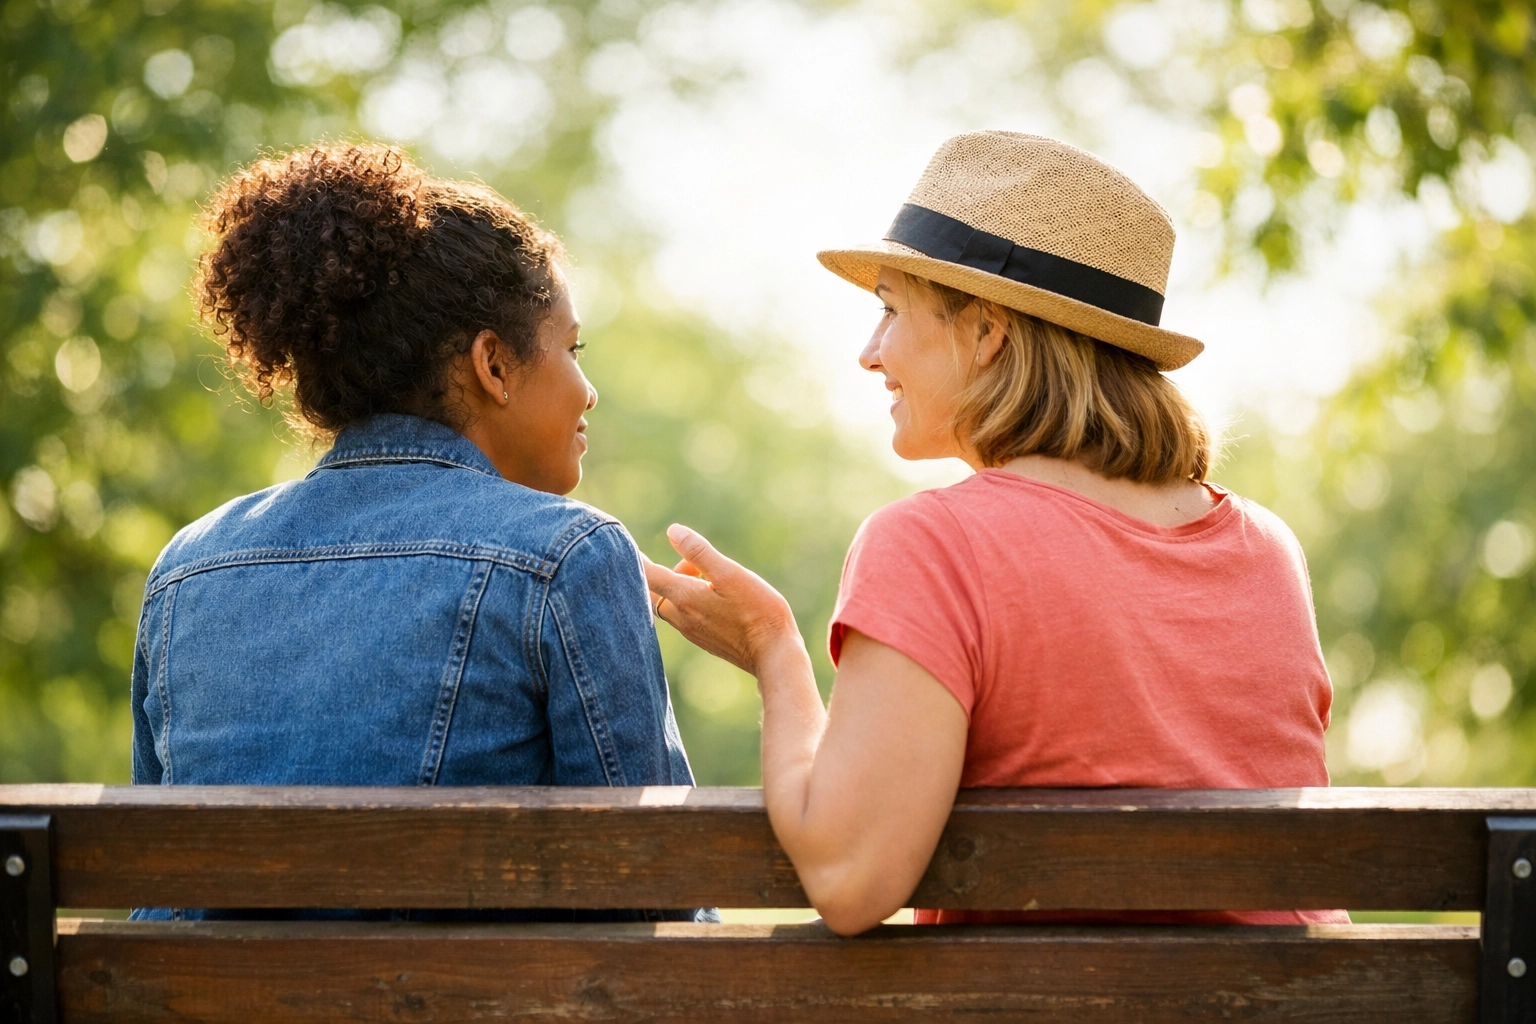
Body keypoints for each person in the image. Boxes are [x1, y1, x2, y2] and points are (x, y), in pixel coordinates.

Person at [645, 131, 1346, 935]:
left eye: (890, 308)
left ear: (986, 333)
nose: (869, 354)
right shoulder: (1268, 548)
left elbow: (849, 879)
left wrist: (774, 651)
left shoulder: (936, 545)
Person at [130, 143, 700, 922]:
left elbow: (156, 887)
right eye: (572, 349)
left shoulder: (186, 569)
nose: (589, 389)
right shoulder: (568, 557)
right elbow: (655, 897)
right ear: (493, 365)